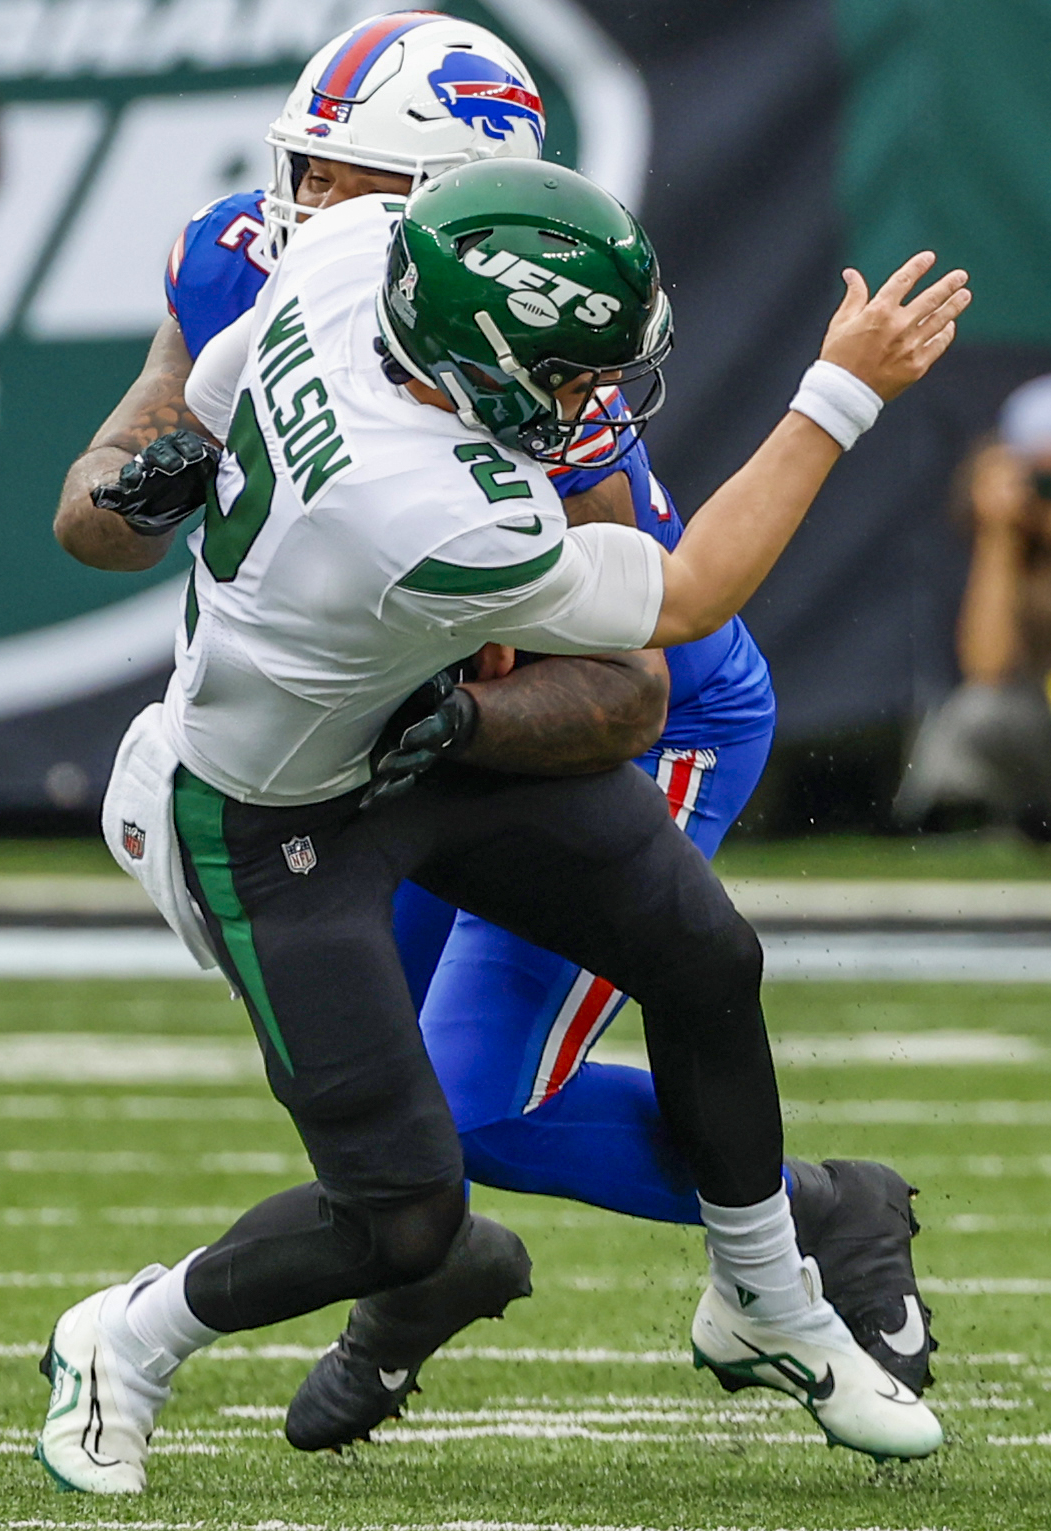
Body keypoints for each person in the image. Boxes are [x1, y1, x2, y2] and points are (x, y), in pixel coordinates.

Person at [50, 9, 936, 1462]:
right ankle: (419, 1275)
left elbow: (637, 680)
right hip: (378, 716)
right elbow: (101, 503)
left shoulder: (486, 388)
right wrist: (134, 483)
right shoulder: (303, 259)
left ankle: (807, 1225)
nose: (306, 206)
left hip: (586, 707)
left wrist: (458, 706)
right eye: (312, 169)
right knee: (400, 1131)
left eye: (347, 182)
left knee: (479, 1094)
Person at [897, 373, 1051, 834]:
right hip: (1037, 734)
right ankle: (957, 828)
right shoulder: (1008, 552)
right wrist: (998, 537)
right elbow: (989, 670)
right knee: (975, 714)